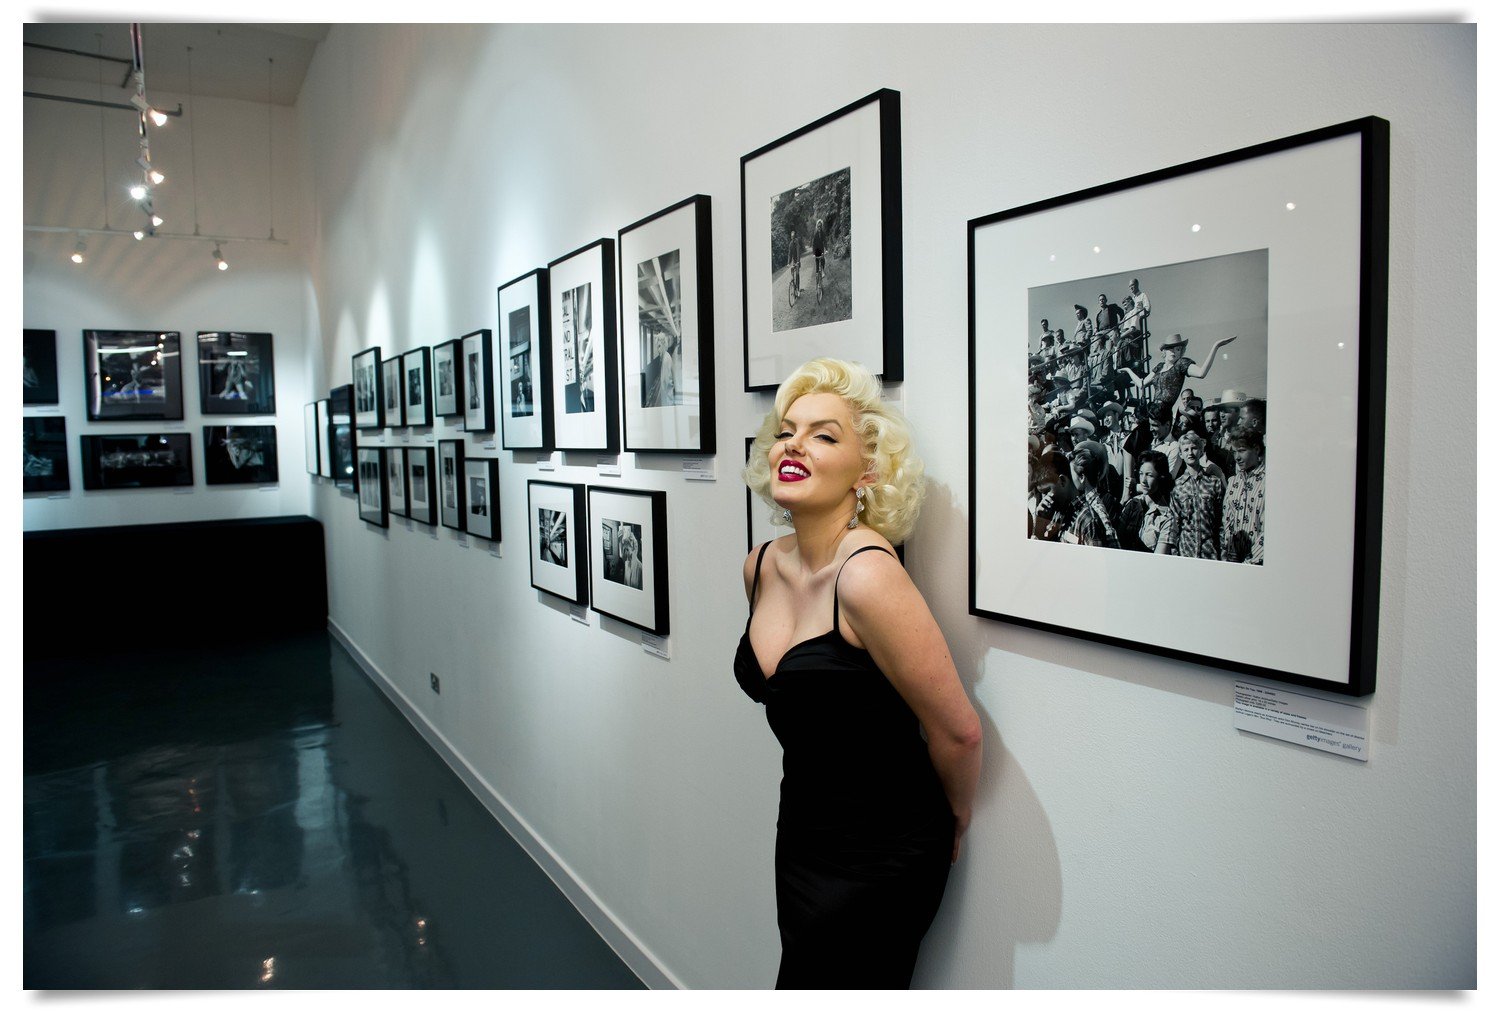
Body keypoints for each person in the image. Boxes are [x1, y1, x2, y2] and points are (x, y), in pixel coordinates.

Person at [737, 358, 981, 988]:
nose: (794, 444)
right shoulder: (760, 565)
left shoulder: (869, 577)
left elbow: (958, 732)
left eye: (824, 434)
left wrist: (955, 815)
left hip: (885, 852)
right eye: (788, 430)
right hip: (802, 832)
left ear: (868, 471)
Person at [1169, 429, 1227, 560]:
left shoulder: (1214, 483)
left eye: (1194, 448)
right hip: (1185, 551)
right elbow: (1174, 523)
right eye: (1186, 450)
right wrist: (1174, 553)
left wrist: (1223, 552)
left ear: (1201, 451)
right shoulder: (1177, 486)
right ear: (1181, 454)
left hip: (1210, 553)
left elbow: (1221, 521)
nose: (1190, 453)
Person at [1220, 425, 1266, 564]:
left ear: (1256, 449)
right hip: (1234, 559)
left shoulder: (1268, 482)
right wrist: (1230, 551)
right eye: (1234, 452)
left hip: (1259, 560)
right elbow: (1227, 520)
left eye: (1242, 451)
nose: (1237, 457)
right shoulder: (1233, 481)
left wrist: (1253, 560)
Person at [1119, 449, 1178, 553]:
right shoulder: (1133, 504)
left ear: (1161, 477)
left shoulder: (1166, 517)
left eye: (1149, 475)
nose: (1143, 481)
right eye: (1141, 474)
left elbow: (1159, 560)